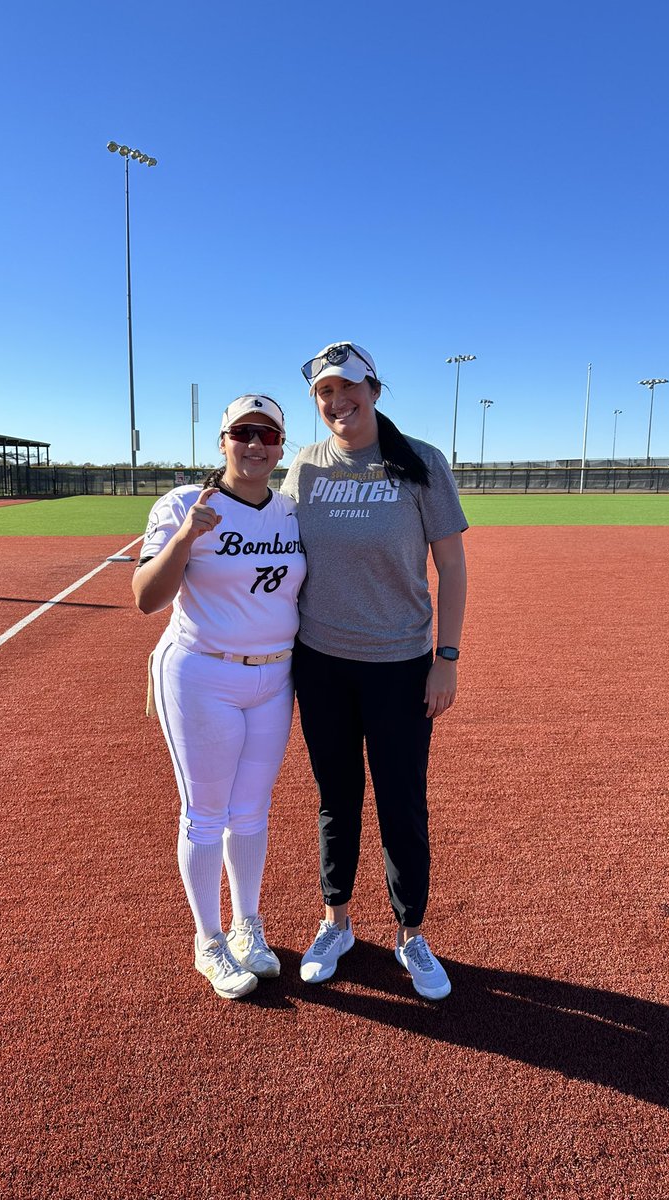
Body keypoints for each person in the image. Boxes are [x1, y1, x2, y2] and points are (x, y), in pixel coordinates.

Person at [282, 342, 468, 1001]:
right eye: (324, 393)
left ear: (375, 390)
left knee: (401, 805)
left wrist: (446, 660)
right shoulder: (303, 467)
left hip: (400, 666)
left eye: (348, 388)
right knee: (337, 801)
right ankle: (335, 922)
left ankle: (411, 934)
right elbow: (273, 549)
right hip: (322, 666)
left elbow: (452, 567)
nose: (337, 401)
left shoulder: (420, 463)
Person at [133, 395, 306, 1000]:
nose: (255, 444)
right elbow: (146, 597)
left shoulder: (291, 510)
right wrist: (185, 536)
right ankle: (208, 939)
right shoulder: (184, 503)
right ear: (223, 440)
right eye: (242, 432)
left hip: (274, 677)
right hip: (203, 674)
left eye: (268, 434)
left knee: (252, 812)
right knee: (206, 813)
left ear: (281, 446)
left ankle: (247, 926)